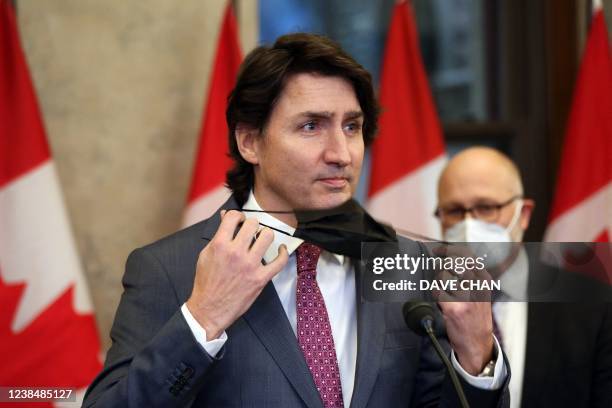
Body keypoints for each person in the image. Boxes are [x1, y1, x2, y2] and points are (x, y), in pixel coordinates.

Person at [84, 33, 509, 407]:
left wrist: (476, 359)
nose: (341, 153)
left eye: (352, 126)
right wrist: (204, 317)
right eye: (311, 126)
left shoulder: (406, 265)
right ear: (250, 142)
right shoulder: (168, 269)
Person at [435, 146, 612, 408]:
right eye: (454, 211)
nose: (469, 224)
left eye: (486, 208)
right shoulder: (417, 306)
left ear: (524, 214)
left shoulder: (594, 305)